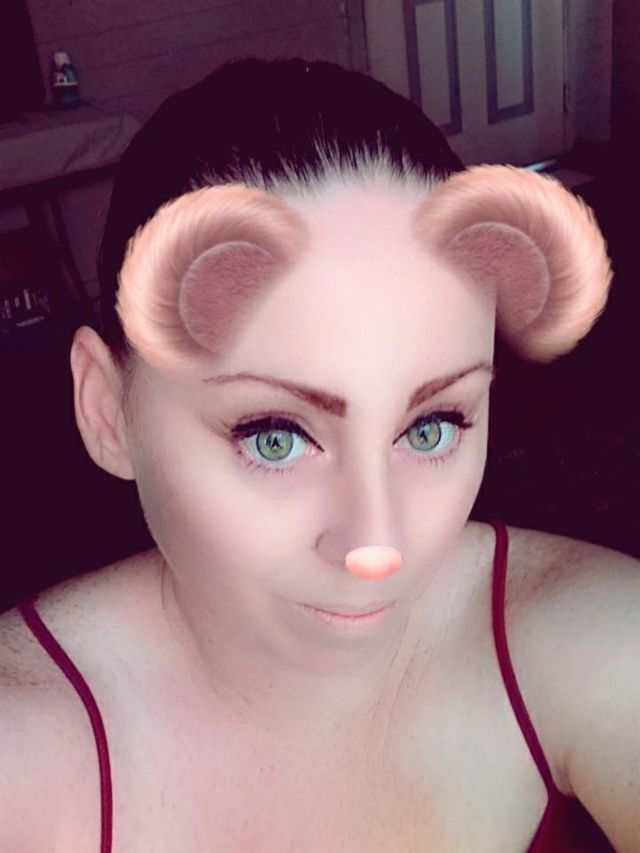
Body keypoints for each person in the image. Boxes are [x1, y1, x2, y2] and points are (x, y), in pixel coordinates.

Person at [1, 57, 638, 852]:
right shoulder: (21, 749)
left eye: (431, 426)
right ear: (107, 409)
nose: (378, 545)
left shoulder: (598, 642)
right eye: (275, 437)